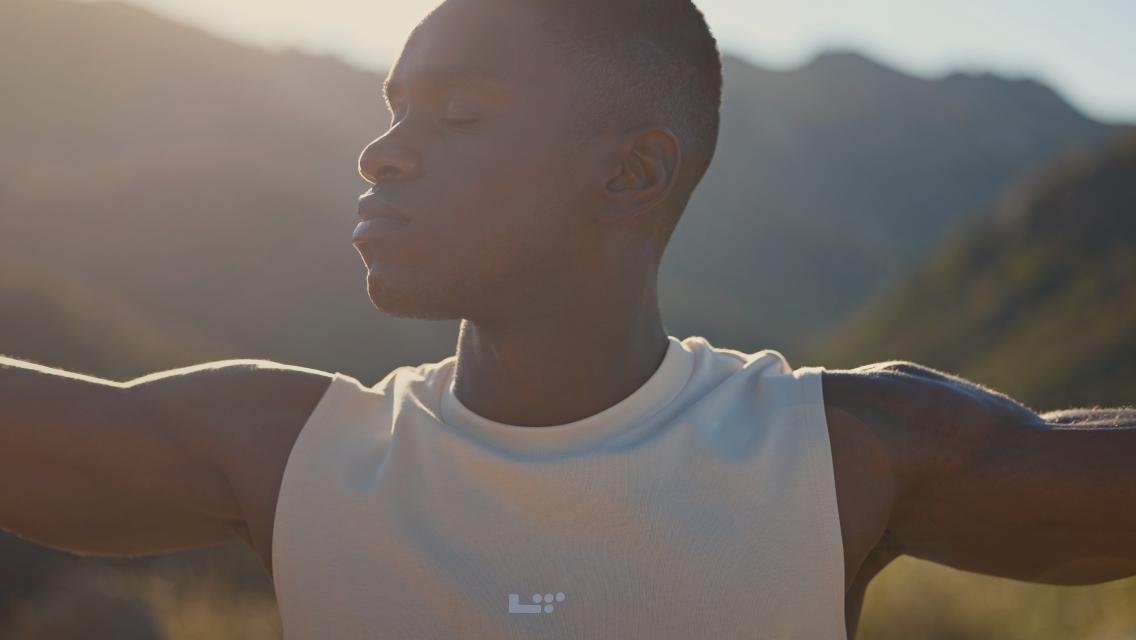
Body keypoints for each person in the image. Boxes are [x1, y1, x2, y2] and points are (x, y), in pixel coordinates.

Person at [2, 0, 1133, 638]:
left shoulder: (837, 452)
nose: (380, 151)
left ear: (632, 173)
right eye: (393, 109)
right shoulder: (288, 452)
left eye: (456, 114)